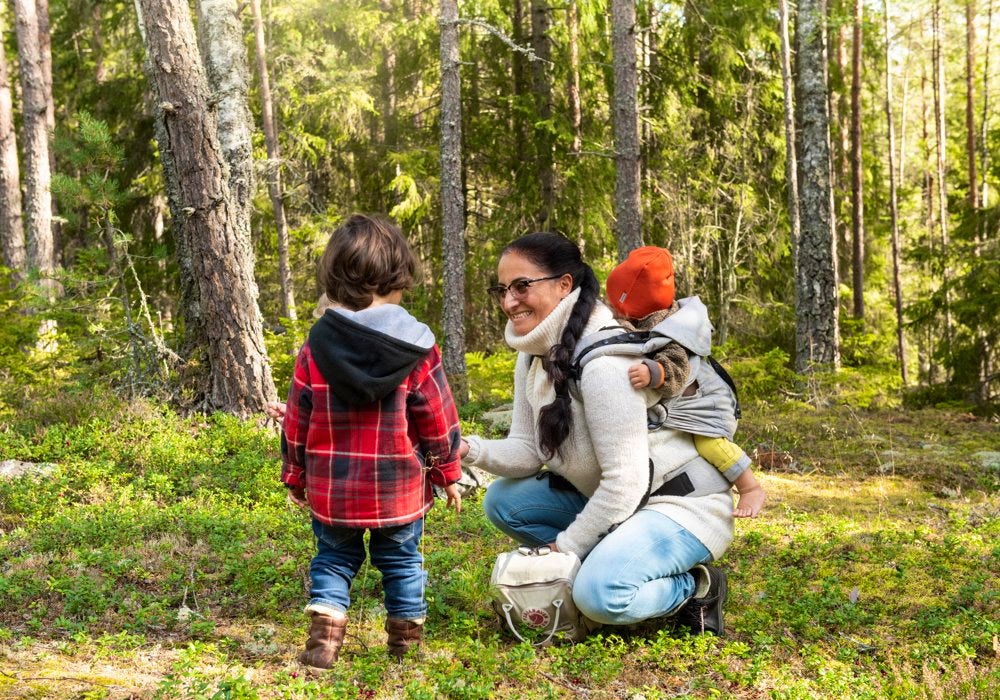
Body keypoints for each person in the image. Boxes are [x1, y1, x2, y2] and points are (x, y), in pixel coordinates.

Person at [459, 232, 733, 636]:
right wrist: (465, 448)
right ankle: (614, 556)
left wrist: (565, 547)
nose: (508, 301)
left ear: (564, 284)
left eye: (521, 286)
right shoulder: (534, 355)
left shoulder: (605, 364)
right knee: (503, 501)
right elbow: (527, 450)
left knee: (601, 596)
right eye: (501, 289)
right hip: (625, 503)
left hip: (680, 503)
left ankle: (695, 588)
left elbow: (626, 481)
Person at [280, 213, 464, 668]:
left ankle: (323, 644)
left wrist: (295, 475)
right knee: (401, 563)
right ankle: (406, 648)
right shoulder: (417, 346)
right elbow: (437, 418)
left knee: (333, 559)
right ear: (398, 275)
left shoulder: (316, 345)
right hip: (398, 488)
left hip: (333, 487)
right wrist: (447, 472)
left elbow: (297, 418)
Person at [604, 246, 766, 518]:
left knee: (709, 444)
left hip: (703, 404)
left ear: (631, 304)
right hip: (675, 407)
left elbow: (678, 367)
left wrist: (653, 372)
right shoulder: (637, 319)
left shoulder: (675, 331)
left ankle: (749, 487)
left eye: (615, 302)